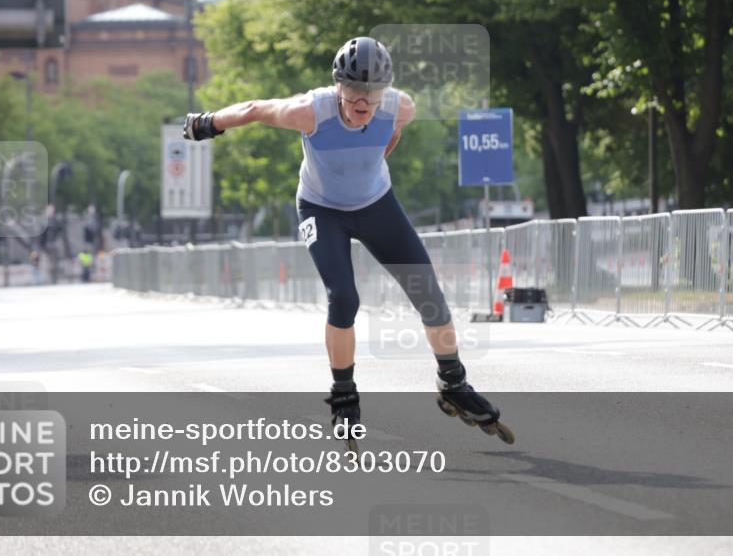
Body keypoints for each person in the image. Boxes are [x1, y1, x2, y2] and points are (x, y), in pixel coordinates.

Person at [183, 36, 512, 445]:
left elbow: (394, 133)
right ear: (338, 86)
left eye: (373, 93)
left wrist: (377, 157)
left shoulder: (399, 106)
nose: (363, 102)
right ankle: (344, 397)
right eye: (355, 91)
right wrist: (209, 122)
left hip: (376, 204)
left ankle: (453, 384)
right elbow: (254, 110)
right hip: (322, 210)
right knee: (344, 297)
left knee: (428, 293)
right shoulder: (310, 111)